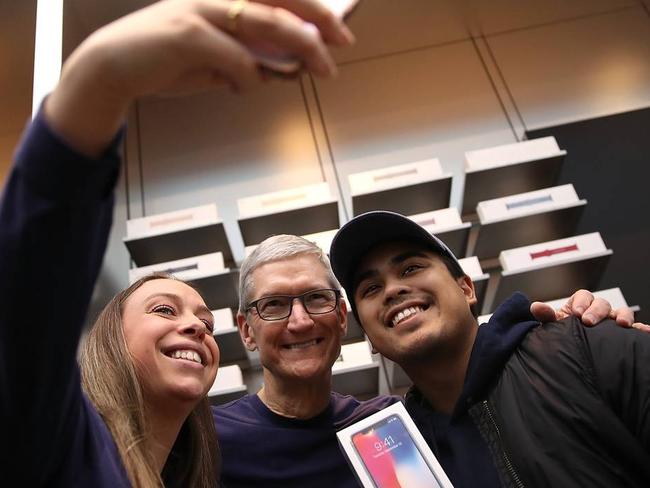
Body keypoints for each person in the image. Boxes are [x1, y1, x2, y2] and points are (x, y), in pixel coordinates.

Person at [0, 0, 355, 485]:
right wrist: (100, 79)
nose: (195, 329)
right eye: (165, 310)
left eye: (204, 322)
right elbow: (28, 303)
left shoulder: (193, 469)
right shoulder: (64, 441)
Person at [214, 233, 637, 487]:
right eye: (273, 305)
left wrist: (585, 336)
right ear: (247, 330)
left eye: (316, 299)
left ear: (343, 320)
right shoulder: (207, 439)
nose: (301, 320)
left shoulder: (389, 427)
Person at [329, 210, 650, 487]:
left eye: (411, 268)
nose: (393, 290)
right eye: (371, 288)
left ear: (465, 288)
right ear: (370, 338)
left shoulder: (581, 345)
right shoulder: (398, 452)